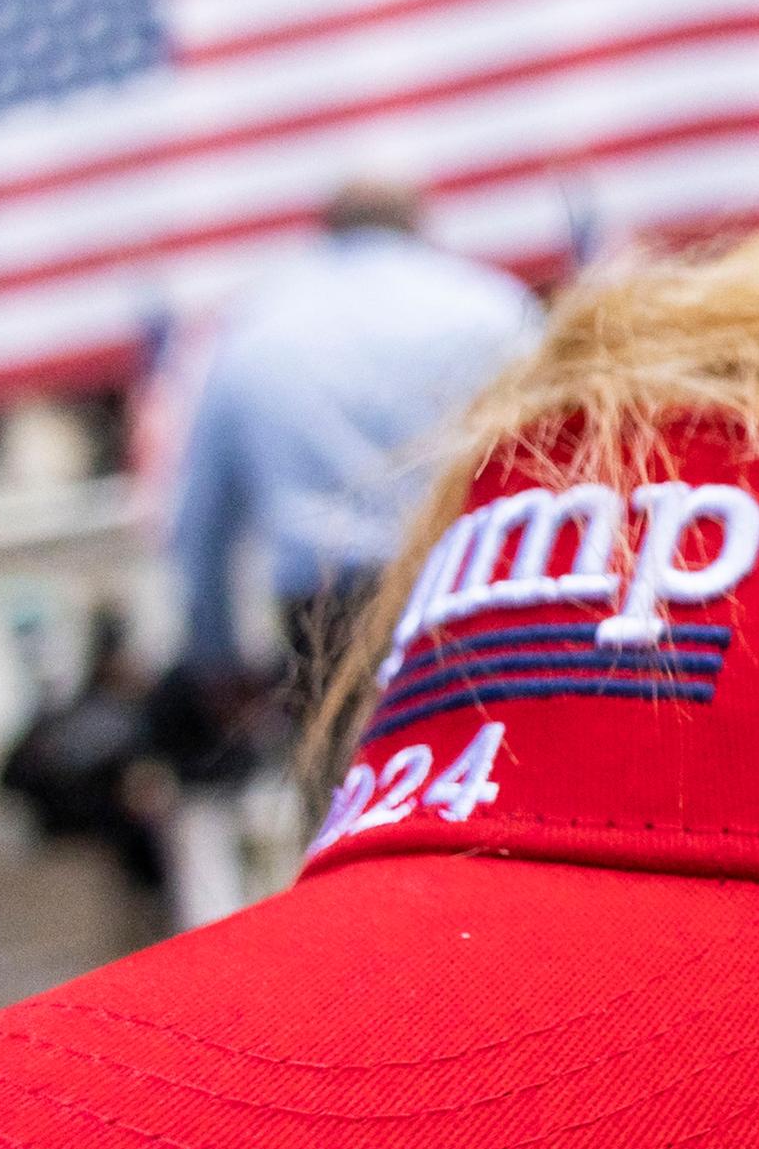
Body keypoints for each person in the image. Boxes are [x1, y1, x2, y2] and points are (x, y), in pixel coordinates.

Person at [159, 181, 537, 918]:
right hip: (472, 585)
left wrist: (214, 656)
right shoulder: (493, 308)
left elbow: (201, 521)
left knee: (349, 835)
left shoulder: (258, 330)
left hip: (329, 609)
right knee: (496, 804)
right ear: (418, 226)